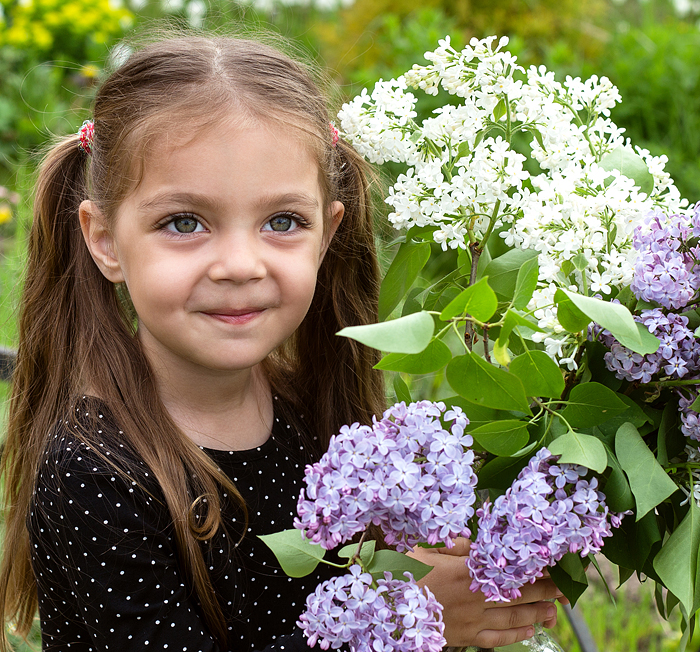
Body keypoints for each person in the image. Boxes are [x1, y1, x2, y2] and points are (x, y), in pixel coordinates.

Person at [0, 33, 563, 652]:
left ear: (327, 233)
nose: (240, 264)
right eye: (183, 223)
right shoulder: (95, 471)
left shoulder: (313, 416)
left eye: (283, 223)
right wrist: (408, 620)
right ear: (104, 239)